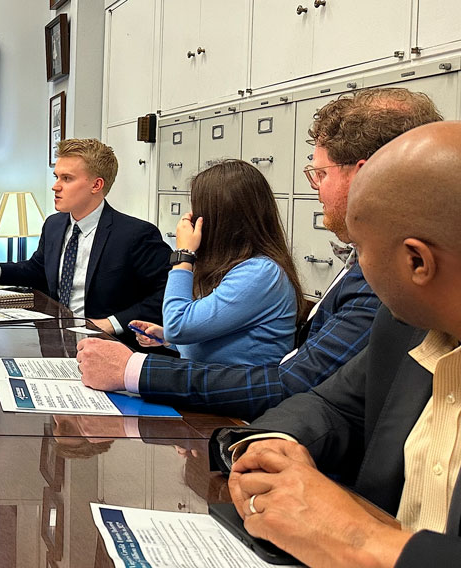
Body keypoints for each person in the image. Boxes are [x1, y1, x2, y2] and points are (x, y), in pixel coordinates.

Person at [76, 87, 440, 420]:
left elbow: (293, 383)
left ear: (364, 177)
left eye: (320, 174)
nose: (316, 190)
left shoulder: (381, 280)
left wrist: (134, 368)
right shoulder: (361, 265)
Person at [212, 121, 461, 566]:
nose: (355, 269)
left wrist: (354, 536)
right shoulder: (404, 327)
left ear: (417, 261)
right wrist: (273, 442)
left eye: (360, 250)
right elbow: (331, 406)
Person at [0, 138, 171, 340]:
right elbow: (38, 270)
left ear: (96, 185)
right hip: (54, 339)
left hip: (111, 345)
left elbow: (166, 295)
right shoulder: (54, 225)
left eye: (67, 178)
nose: (55, 186)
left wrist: (110, 323)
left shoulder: (136, 235)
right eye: (56, 177)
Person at [131, 160, 303, 365]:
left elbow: (178, 326)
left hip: (239, 392)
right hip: (212, 382)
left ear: (218, 220)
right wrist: (168, 339)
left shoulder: (260, 273)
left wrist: (183, 255)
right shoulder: (236, 267)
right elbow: (209, 333)